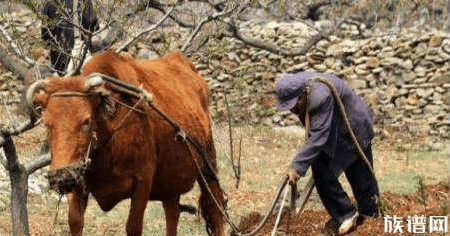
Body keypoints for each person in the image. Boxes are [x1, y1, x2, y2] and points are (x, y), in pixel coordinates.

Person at [276, 71, 379, 235]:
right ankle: (346, 214)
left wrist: (297, 166)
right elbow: (317, 132)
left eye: (294, 105)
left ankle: (371, 219)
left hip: (354, 127)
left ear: (303, 94)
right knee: (321, 170)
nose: (293, 110)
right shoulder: (301, 87)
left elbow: (318, 137)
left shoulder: (320, 97)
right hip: (334, 131)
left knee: (361, 177)